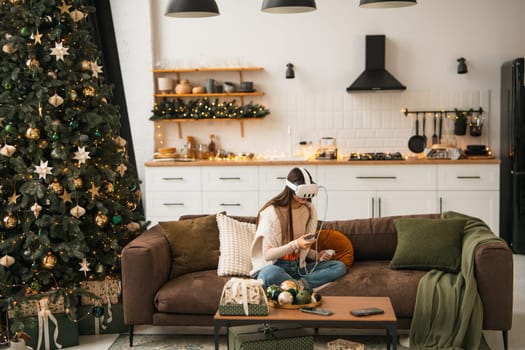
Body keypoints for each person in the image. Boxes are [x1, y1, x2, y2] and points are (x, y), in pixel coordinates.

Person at [249, 167, 346, 291]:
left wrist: (317, 256)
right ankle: (299, 286)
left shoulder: (307, 210)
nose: (305, 197)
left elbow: (301, 247)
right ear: (291, 189)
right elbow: (268, 255)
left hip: (298, 268)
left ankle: (296, 285)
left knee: (339, 267)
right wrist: (295, 244)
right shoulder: (272, 213)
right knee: (269, 274)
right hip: (276, 266)